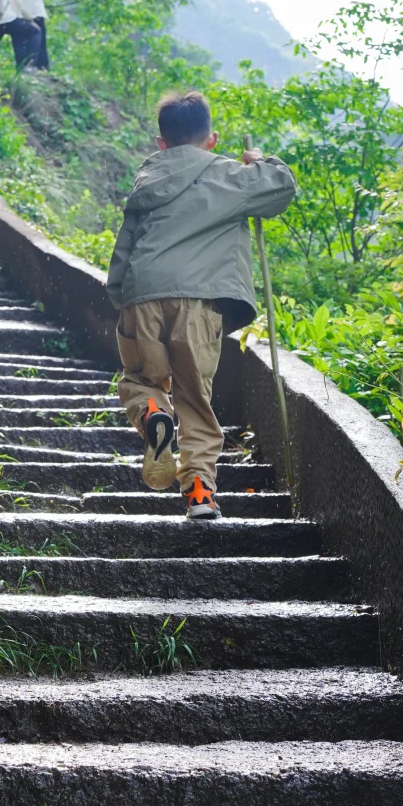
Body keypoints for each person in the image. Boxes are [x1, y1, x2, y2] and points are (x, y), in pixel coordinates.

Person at [106, 90, 297, 519]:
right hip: (199, 302)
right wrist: (260, 160)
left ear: (161, 143)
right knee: (195, 398)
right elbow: (282, 189)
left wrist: (122, 300)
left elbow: (124, 250)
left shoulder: (145, 182)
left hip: (142, 294)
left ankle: (154, 412)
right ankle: (198, 494)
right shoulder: (229, 175)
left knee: (140, 380)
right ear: (211, 139)